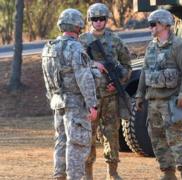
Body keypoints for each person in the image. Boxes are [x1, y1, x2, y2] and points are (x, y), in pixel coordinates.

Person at [135, 9, 182, 180]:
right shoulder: (151, 46)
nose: (150, 28)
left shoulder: (179, 45)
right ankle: (168, 174)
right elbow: (144, 72)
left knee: (175, 138)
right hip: (153, 101)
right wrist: (139, 95)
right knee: (157, 139)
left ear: (163, 24)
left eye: (153, 24)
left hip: (172, 102)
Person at [41, 8, 98, 180]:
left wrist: (53, 97)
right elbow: (84, 78)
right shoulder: (75, 48)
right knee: (77, 143)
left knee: (61, 141)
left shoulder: (48, 48)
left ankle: (59, 175)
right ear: (78, 25)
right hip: (75, 103)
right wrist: (92, 104)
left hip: (58, 101)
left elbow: (46, 77)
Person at [79, 3, 132, 180]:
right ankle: (88, 174)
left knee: (111, 133)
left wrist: (118, 83)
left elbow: (127, 66)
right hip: (90, 97)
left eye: (102, 19)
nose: (99, 22)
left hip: (110, 97)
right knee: (89, 135)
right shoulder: (82, 41)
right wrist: (95, 64)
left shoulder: (115, 40)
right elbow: (76, 66)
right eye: (95, 19)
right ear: (90, 20)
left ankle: (113, 172)